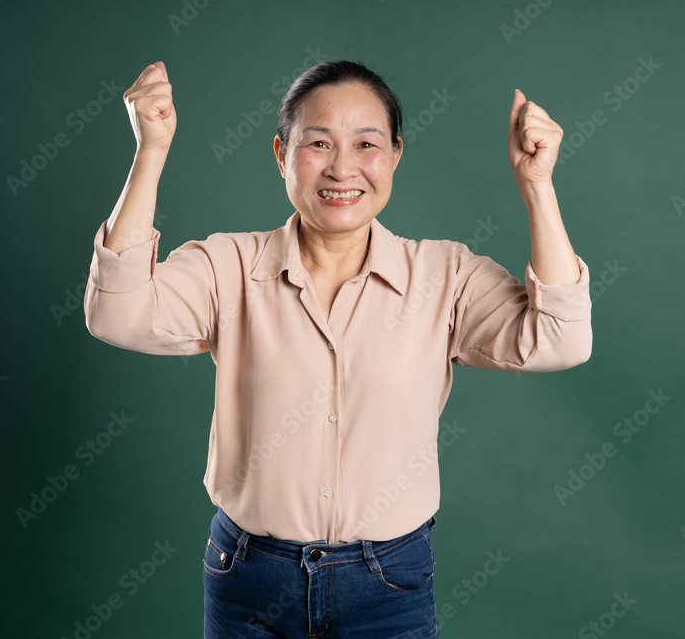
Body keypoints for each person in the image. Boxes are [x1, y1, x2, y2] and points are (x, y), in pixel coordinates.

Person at [83, 58, 592, 637]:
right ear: (281, 154)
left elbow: (560, 339)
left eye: (367, 143)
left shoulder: (443, 274)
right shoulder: (228, 265)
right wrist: (150, 150)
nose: (342, 167)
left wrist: (537, 185)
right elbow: (116, 313)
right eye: (318, 143)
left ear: (396, 154)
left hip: (388, 582)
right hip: (248, 576)